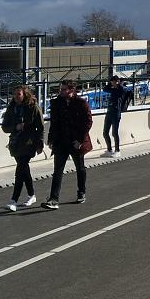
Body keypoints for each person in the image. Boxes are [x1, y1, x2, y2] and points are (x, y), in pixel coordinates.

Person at [42, 81, 93, 210]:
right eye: (61, 89)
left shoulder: (81, 103)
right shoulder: (57, 103)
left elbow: (88, 122)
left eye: (64, 89)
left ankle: (81, 192)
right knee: (57, 170)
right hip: (61, 141)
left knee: (80, 167)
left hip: (75, 141)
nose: (61, 91)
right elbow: (54, 122)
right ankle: (54, 199)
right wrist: (51, 139)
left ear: (72, 90)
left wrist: (80, 140)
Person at [1, 85, 45, 212]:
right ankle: (31, 195)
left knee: (20, 169)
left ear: (24, 95)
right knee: (24, 170)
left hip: (29, 142)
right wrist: (16, 127)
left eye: (18, 94)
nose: (16, 97)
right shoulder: (12, 108)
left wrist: (40, 142)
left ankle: (13, 199)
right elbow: (5, 127)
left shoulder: (33, 107)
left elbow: (40, 127)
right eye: (14, 94)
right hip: (16, 142)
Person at [101, 75, 132, 158]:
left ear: (117, 82)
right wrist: (111, 83)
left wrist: (118, 83)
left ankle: (117, 150)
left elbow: (123, 89)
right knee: (105, 133)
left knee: (114, 133)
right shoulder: (112, 89)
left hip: (116, 113)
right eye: (112, 82)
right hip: (109, 112)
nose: (113, 83)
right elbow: (104, 89)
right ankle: (109, 150)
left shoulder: (120, 90)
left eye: (114, 81)